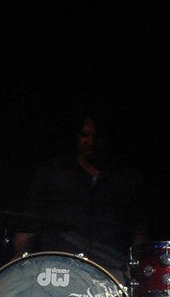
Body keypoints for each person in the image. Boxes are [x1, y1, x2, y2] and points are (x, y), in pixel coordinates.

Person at [11, 107, 146, 279]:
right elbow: (28, 224)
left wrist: (136, 267)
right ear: (76, 137)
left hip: (110, 271)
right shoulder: (52, 173)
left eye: (97, 137)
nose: (91, 142)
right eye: (85, 135)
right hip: (58, 270)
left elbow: (139, 232)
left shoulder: (127, 179)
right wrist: (18, 261)